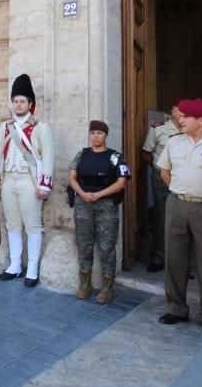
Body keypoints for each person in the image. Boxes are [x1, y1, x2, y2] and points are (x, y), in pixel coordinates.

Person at [156, 99, 202, 337]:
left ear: (201, 120)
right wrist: (180, 189)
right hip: (177, 204)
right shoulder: (174, 142)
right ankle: (176, 308)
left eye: (187, 117)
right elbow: (164, 171)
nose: (181, 120)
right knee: (174, 257)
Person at [0, 74, 54, 287]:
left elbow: (48, 156)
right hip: (8, 180)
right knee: (12, 224)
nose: (18, 104)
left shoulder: (41, 127)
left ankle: (32, 269)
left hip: (29, 181)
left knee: (33, 225)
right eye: (15, 101)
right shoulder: (5, 126)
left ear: (30, 104)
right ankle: (14, 266)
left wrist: (44, 185)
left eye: (22, 101)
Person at [69, 120, 130, 303]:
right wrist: (83, 194)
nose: (95, 136)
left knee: (107, 247)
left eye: (99, 133)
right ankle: (85, 283)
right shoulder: (82, 155)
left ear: (106, 135)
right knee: (84, 244)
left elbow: (121, 182)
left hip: (106, 206)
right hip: (83, 204)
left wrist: (98, 194)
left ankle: (107, 287)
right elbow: (72, 178)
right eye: (93, 133)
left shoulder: (115, 157)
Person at [142, 100, 182, 273]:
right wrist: (159, 169)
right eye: (181, 111)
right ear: (173, 111)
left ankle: (182, 263)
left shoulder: (191, 129)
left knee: (183, 220)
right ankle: (158, 257)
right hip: (161, 178)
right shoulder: (159, 129)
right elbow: (145, 153)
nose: (185, 115)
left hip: (185, 179)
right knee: (162, 218)